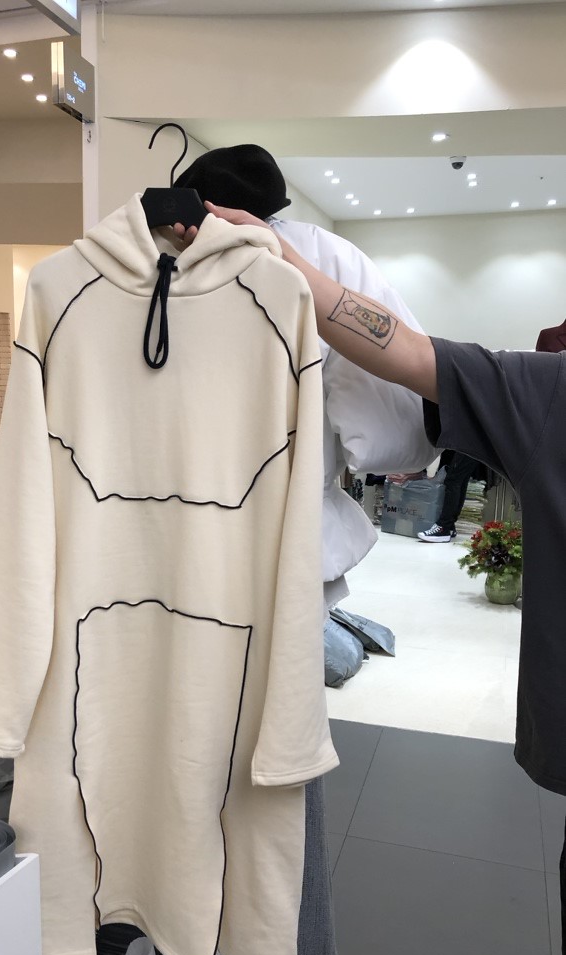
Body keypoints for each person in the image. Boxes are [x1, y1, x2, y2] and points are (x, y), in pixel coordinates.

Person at [178, 198, 566, 955]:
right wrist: (286, 259)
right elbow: (407, 372)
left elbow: (406, 369)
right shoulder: (552, 392)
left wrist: (290, 262)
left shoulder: (551, 393)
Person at [174, 144, 437, 610]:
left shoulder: (129, 262)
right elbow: (394, 412)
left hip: (156, 524)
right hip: (283, 522)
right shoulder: (324, 256)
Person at [418, 449, 482, 542]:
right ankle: (449, 526)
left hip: (470, 443)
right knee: (460, 479)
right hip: (472, 444)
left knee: (453, 480)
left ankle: (443, 527)